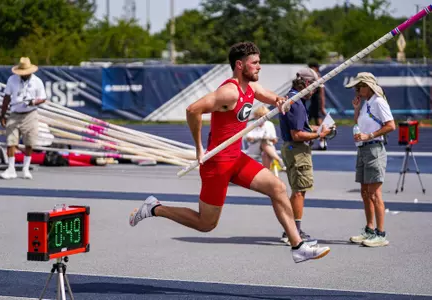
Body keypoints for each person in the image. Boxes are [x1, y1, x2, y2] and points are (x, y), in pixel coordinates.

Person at [129, 42, 330, 263]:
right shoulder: (228, 92)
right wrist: (198, 147)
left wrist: (279, 101)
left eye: (259, 62)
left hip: (236, 158)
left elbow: (267, 95)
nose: (259, 67)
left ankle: (297, 246)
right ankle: (155, 208)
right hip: (217, 164)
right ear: (239, 65)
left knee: (278, 188)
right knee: (206, 224)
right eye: (254, 63)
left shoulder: (251, 88)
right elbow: (192, 110)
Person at [279, 68, 333, 246]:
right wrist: (319, 135)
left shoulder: (292, 99)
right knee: (299, 191)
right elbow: (297, 134)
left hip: (294, 148)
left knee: (298, 190)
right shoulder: (296, 102)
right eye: (315, 88)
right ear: (308, 84)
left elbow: (300, 128)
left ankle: (291, 229)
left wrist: (318, 130)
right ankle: (293, 231)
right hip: (297, 150)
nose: (315, 92)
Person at [346, 72, 395, 247]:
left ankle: (381, 234)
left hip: (374, 149)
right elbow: (358, 124)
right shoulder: (367, 103)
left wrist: (370, 135)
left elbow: (391, 125)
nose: (357, 90)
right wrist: (357, 108)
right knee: (365, 193)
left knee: (374, 194)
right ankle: (370, 229)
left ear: (369, 86)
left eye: (360, 86)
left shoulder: (379, 102)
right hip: (363, 149)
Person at [0, 57, 47, 180]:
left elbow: (43, 98)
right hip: (14, 114)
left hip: (30, 114)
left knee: (29, 143)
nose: (24, 75)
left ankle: (26, 168)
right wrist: (3, 114)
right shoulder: (12, 79)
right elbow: (6, 98)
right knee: (11, 142)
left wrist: (33, 102)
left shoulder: (37, 81)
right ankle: (11, 169)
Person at [244, 105, 286, 171]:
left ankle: (266, 172)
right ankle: (279, 160)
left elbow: (275, 140)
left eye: (265, 116)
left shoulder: (269, 124)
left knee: (265, 152)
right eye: (260, 116)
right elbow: (249, 138)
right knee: (263, 143)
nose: (263, 118)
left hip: (268, 149)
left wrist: (268, 138)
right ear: (256, 116)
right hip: (254, 149)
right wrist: (260, 138)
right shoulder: (251, 124)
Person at [307, 61, 327, 150]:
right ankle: (309, 140)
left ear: (316, 68)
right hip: (313, 103)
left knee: (318, 122)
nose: (310, 70)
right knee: (306, 122)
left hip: (317, 103)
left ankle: (323, 142)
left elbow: (322, 94)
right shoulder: (311, 77)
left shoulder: (319, 77)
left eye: (312, 68)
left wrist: (322, 107)